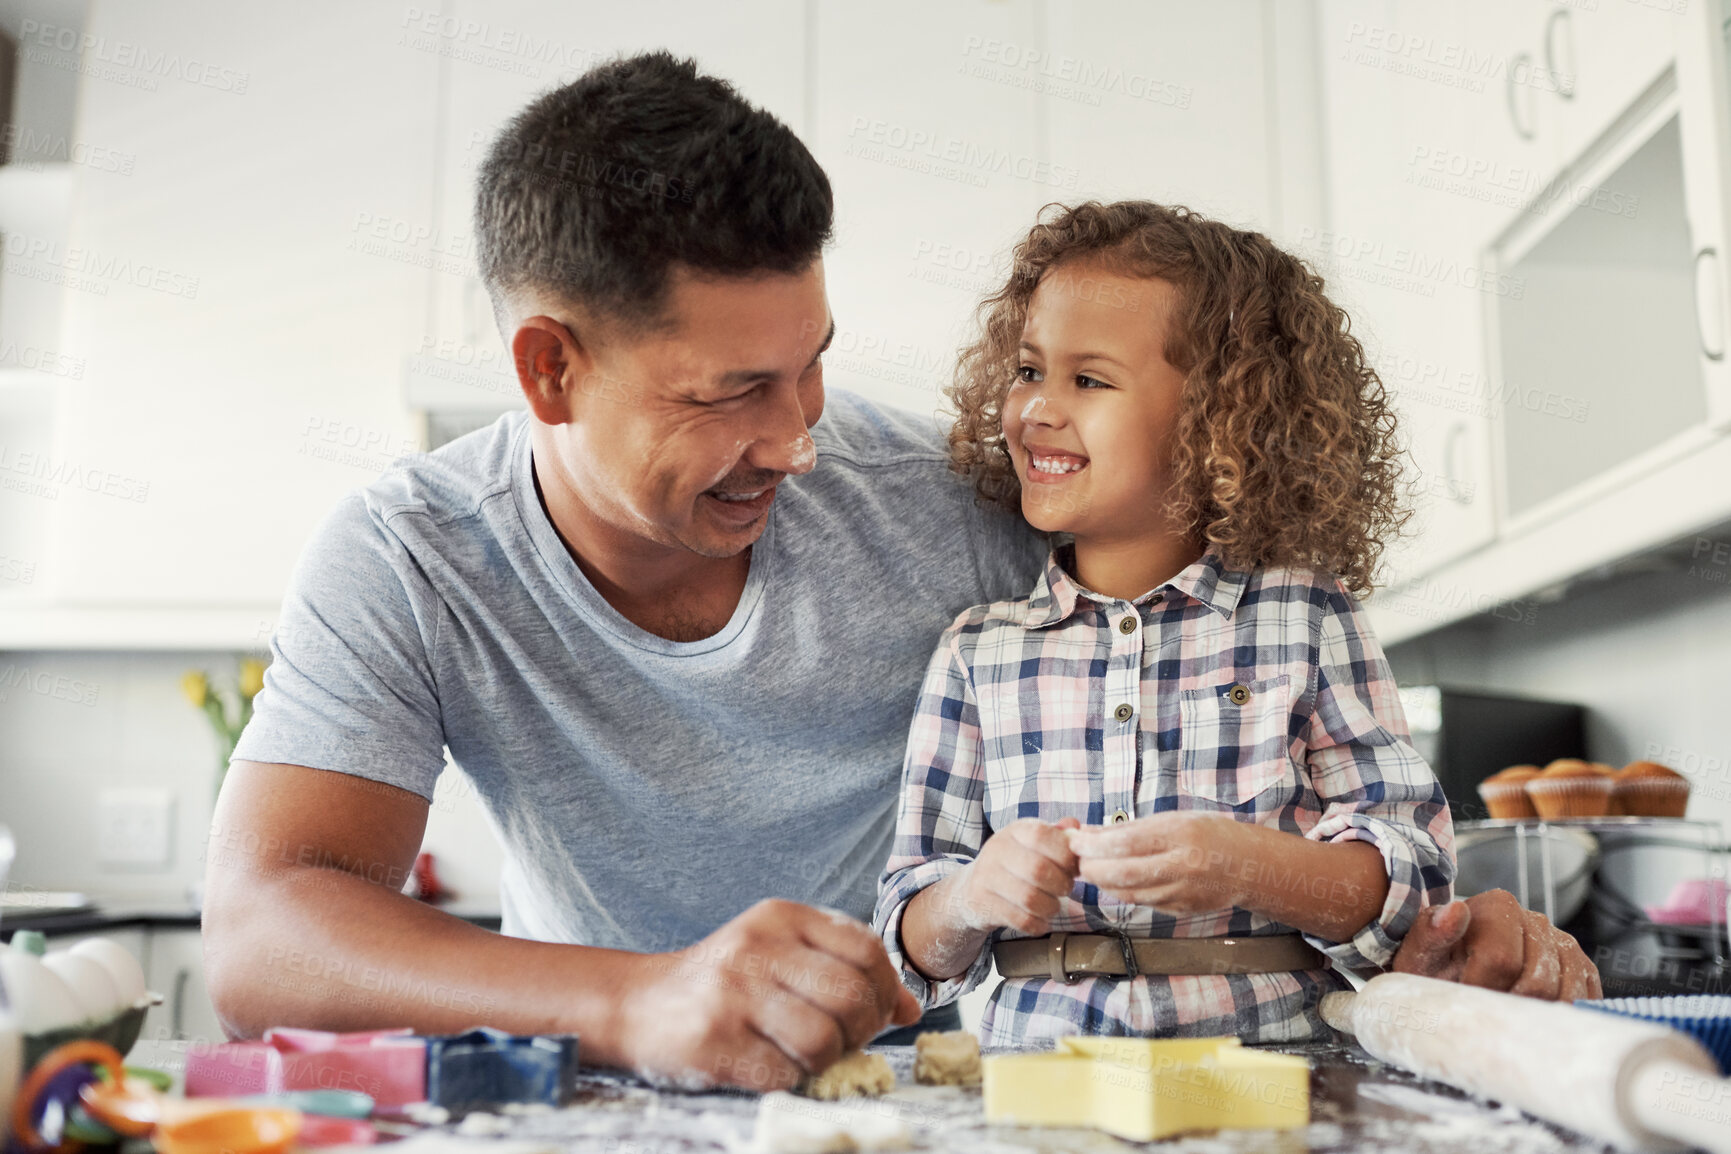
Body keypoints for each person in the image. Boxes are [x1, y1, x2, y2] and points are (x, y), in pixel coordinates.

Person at [203, 53, 1597, 1092]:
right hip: (622, 1091)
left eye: (810, 362)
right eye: (733, 390)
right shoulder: (409, 553)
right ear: (550, 368)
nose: (797, 440)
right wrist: (635, 1000)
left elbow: (1241, 683)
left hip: (957, 1090)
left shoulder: (954, 501)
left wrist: (1434, 918)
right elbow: (265, 940)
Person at [875, 201, 1601, 1043]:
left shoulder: (1303, 616)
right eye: (1029, 370)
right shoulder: (978, 651)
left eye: (1089, 379)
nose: (1035, 409)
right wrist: (969, 898)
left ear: (1216, 421)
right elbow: (911, 946)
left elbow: (1414, 879)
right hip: (1037, 1094)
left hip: (1282, 1079)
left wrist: (1245, 864)